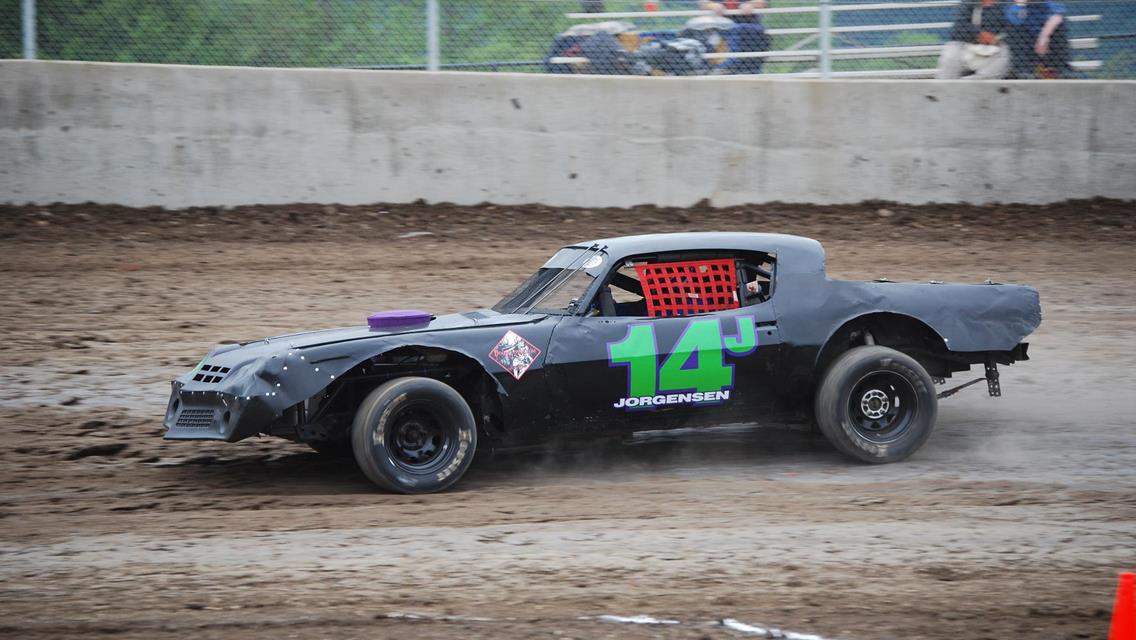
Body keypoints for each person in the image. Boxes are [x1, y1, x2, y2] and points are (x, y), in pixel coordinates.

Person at [936, 0, 1012, 80]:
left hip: (996, 47)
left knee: (1005, 58)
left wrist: (996, 38)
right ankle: (946, 86)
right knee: (950, 57)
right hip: (967, 44)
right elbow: (958, 28)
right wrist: (979, 35)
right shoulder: (970, 2)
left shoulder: (1006, 3)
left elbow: (1012, 28)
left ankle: (967, 85)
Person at [1003, 0, 1070, 78]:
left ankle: (1060, 70)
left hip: (1046, 38)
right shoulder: (1010, 3)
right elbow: (1015, 21)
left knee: (1059, 26)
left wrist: (1044, 37)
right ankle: (1023, 72)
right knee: (1013, 29)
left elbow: (1058, 16)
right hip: (1026, 41)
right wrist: (1020, 4)